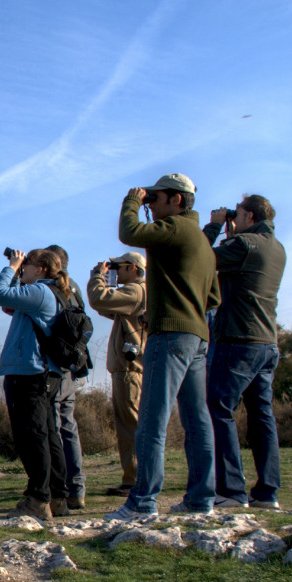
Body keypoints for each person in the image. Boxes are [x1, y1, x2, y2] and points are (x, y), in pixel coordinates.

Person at [105, 173, 220, 520]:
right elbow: (213, 296)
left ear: (178, 200)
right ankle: (201, 500)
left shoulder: (175, 229)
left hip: (169, 334)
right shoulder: (201, 242)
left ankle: (142, 502)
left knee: (152, 420)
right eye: (147, 199)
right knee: (198, 421)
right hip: (197, 335)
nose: (150, 205)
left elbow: (129, 233)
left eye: (156, 199)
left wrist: (131, 200)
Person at [203, 195, 287, 510]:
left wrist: (213, 226)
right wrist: (232, 231)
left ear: (249, 215)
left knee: (219, 408)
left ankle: (232, 491)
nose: (232, 218)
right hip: (267, 341)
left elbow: (201, 259)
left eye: (236, 214)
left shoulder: (245, 244)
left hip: (239, 339)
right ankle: (267, 493)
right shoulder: (276, 247)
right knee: (262, 416)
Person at [0, 248, 69, 522]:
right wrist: (18, 274)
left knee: (31, 437)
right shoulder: (48, 292)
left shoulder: (40, 292)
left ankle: (38, 499)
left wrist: (12, 267)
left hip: (29, 373)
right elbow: (8, 304)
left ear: (42, 269)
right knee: (47, 434)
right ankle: (57, 497)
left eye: (28, 264)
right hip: (44, 373)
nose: (24, 268)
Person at [86, 252, 148, 497]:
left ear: (132, 268)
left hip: (130, 370)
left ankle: (135, 479)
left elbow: (98, 299)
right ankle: (136, 477)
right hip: (130, 369)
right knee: (130, 424)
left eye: (118, 267)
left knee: (130, 425)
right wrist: (108, 282)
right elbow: (107, 307)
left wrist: (98, 277)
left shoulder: (136, 291)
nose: (116, 271)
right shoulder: (137, 293)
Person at [44, 245, 87, 512]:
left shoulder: (49, 289)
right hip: (72, 363)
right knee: (68, 425)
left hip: (53, 365)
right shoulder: (75, 288)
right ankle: (77, 489)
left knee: (53, 426)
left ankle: (56, 487)